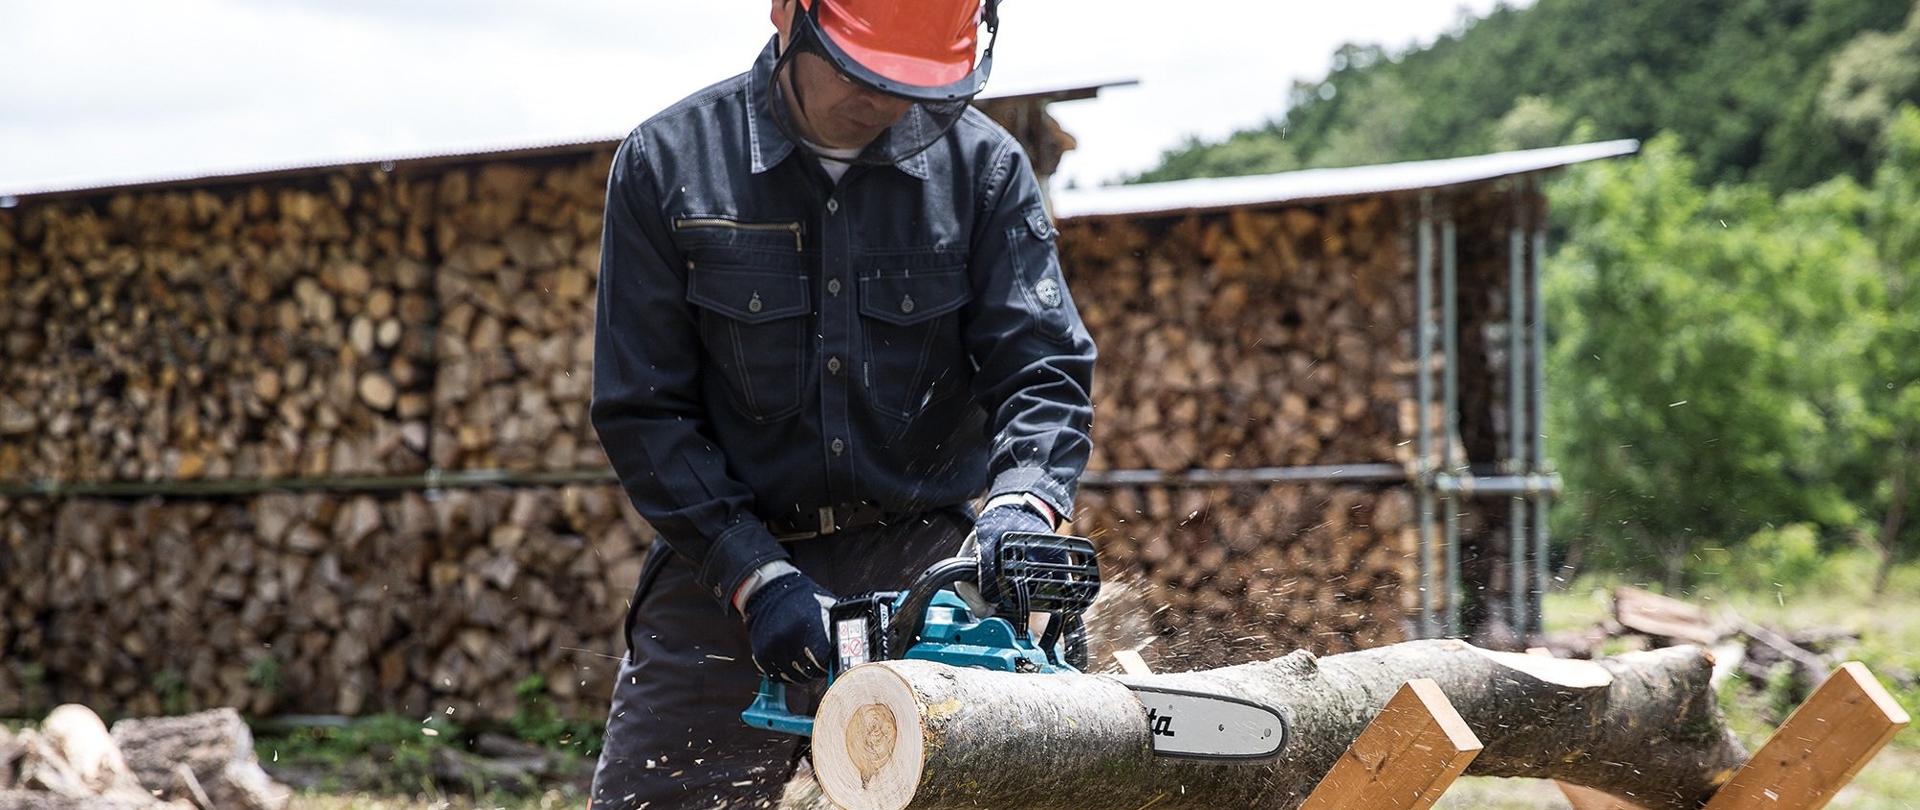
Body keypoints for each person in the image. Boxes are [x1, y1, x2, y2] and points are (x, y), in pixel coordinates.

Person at [586, 0, 1096, 805]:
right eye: (859, 69)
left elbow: (1043, 370)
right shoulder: (668, 163)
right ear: (788, 15)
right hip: (727, 558)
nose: (881, 96)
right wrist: (755, 576)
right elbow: (644, 411)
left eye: (907, 76)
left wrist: (1023, 507)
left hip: (921, 556)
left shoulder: (984, 171)